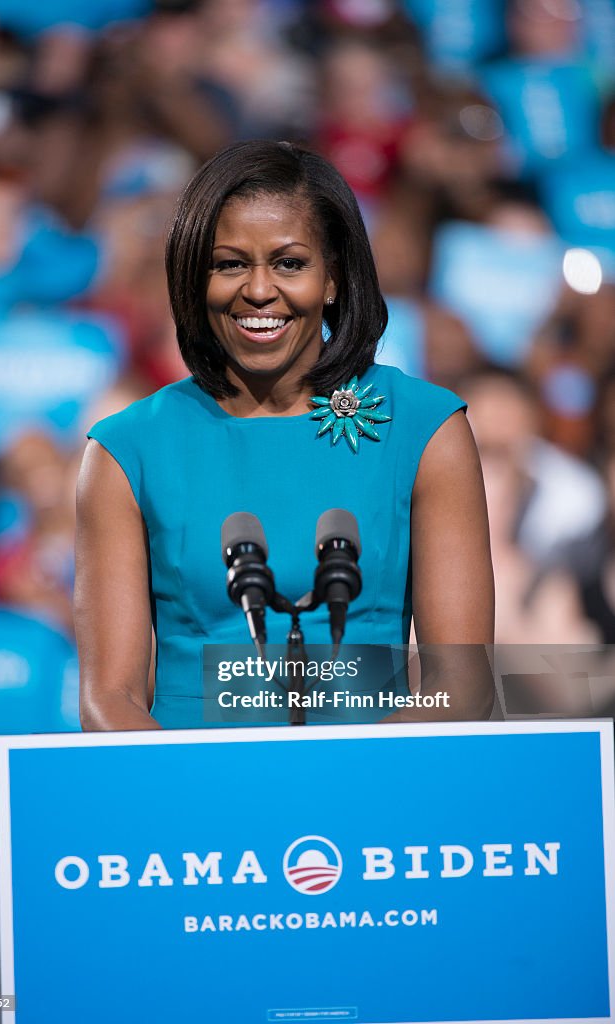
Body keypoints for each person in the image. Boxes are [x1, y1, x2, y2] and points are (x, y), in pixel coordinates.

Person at [75, 140, 494, 731]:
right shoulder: (126, 450)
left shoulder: (425, 428)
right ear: (195, 278)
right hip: (194, 795)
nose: (258, 290)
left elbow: (462, 681)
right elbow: (109, 699)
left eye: (290, 263)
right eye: (229, 264)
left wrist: (338, 788)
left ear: (332, 278)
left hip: (373, 796)